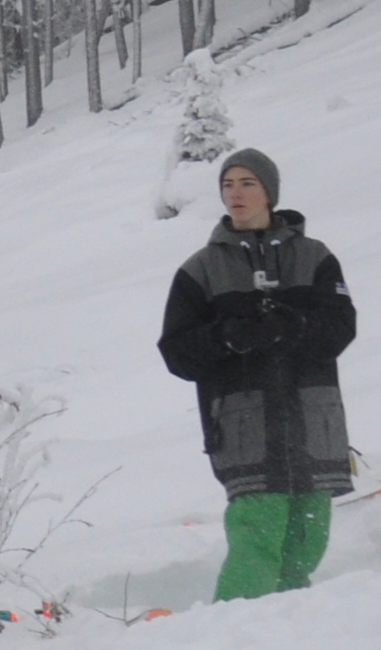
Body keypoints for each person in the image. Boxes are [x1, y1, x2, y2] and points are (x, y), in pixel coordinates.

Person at [153, 144, 357, 599]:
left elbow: (342, 328)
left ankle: (287, 625)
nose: (235, 194)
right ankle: (232, 626)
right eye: (228, 184)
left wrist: (291, 325)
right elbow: (177, 353)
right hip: (244, 426)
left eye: (247, 183)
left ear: (269, 193)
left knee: (309, 535)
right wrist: (227, 336)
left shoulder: (315, 258)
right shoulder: (201, 270)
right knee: (257, 534)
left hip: (313, 421)